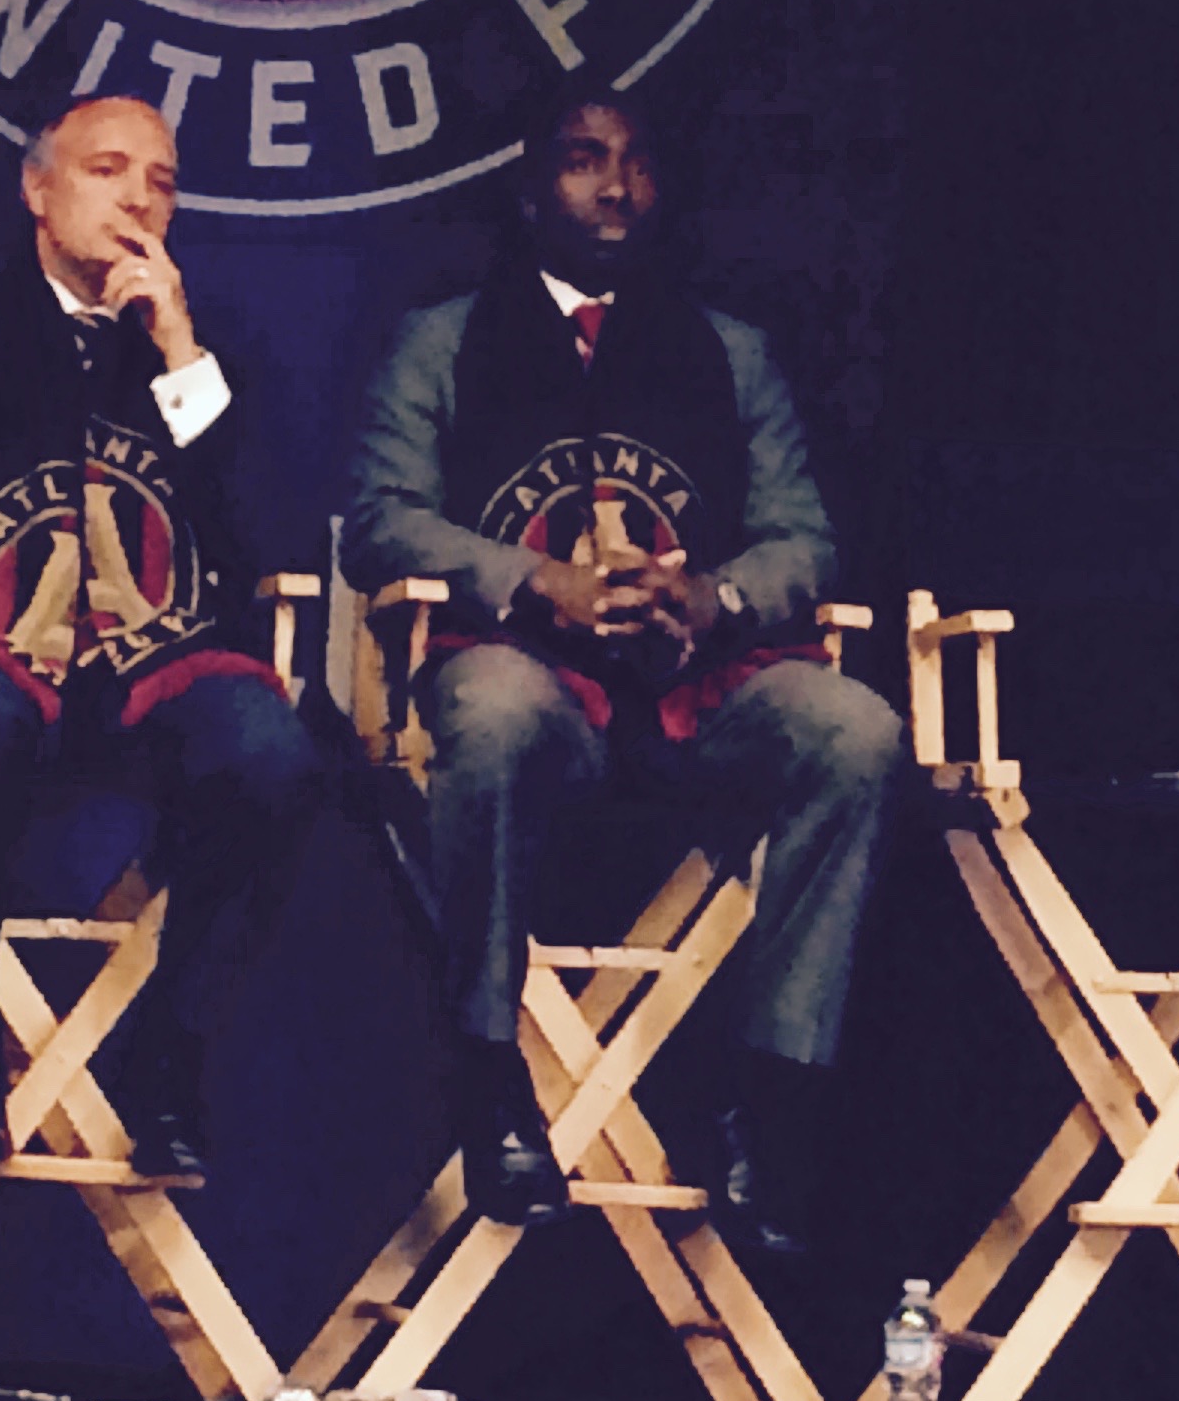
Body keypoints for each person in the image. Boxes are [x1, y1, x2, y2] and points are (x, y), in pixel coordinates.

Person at [343, 91, 903, 1255]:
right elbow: (382, 522)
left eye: (637, 162)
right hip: (533, 674)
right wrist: (530, 579)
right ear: (530, 189)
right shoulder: (442, 341)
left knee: (855, 728)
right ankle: (490, 1077)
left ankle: (775, 1102)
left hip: (702, 683)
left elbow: (804, 538)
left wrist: (717, 596)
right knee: (490, 709)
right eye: (585, 160)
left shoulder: (730, 352)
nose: (616, 185)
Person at [0, 95, 320, 1180]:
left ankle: (172, 1046)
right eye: (107, 170)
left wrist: (177, 348)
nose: (137, 200)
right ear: (38, 190)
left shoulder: (202, 342)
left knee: (271, 749)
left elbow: (268, 530)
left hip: (158, 663)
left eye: (161, 182)